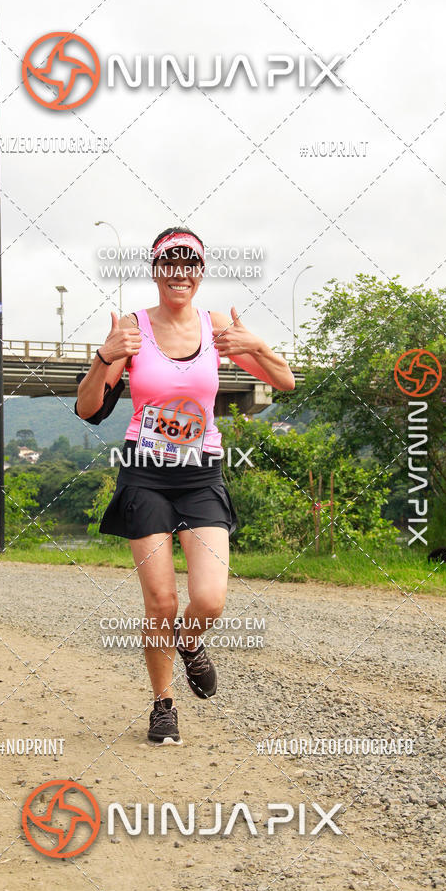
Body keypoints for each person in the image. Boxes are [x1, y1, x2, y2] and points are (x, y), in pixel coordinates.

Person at [76, 227, 295, 744]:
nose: (179, 272)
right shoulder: (132, 330)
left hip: (200, 474)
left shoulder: (215, 325)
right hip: (145, 474)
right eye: (169, 263)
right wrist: (106, 356)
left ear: (199, 273)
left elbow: (284, 382)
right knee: (160, 603)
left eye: (189, 264)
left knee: (210, 599)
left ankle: (191, 644)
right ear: (155, 270)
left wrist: (257, 344)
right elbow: (87, 408)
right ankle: (163, 704)